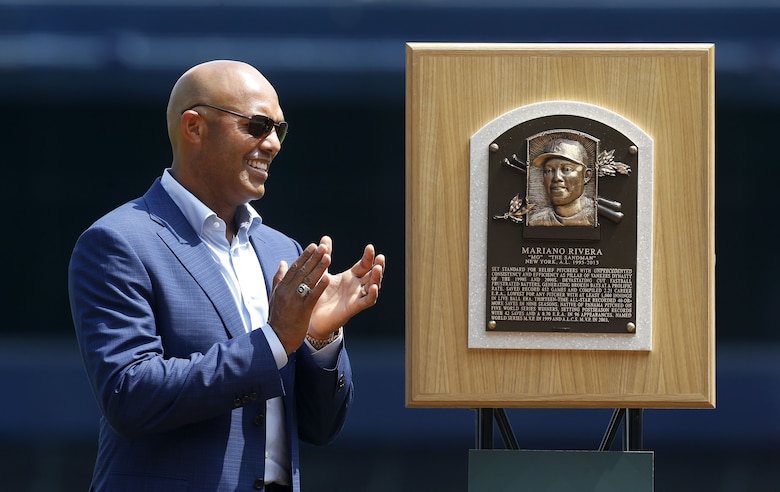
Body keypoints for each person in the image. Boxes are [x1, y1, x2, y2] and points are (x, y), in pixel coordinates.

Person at [68, 59, 385, 492]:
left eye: (279, 130)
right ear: (194, 127)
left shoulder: (283, 251)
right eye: (257, 125)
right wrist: (274, 341)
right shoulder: (119, 242)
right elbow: (130, 395)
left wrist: (317, 339)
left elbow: (320, 428)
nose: (272, 144)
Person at [526, 138, 596, 226]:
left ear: (586, 175)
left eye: (567, 169)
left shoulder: (597, 216)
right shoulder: (536, 221)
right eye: (548, 170)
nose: (556, 178)